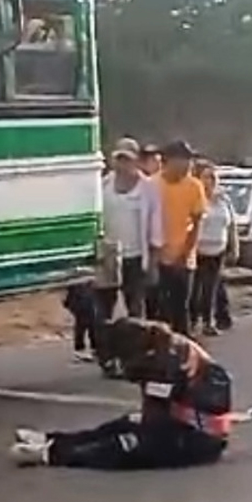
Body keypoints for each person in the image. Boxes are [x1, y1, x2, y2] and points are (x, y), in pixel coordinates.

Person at [10, 317, 232, 470]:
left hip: (198, 439)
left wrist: (137, 431)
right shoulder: (163, 344)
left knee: (123, 445)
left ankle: (49, 454)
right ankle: (51, 439)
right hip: (182, 420)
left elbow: (155, 417)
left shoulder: (165, 362)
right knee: (122, 424)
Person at [95, 138, 163, 348]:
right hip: (108, 255)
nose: (123, 164)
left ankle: (137, 350)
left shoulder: (148, 189)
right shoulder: (105, 183)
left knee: (135, 307)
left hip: (134, 256)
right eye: (119, 159)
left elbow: (155, 226)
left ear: (136, 162)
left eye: (128, 160)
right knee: (103, 307)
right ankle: (105, 351)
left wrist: (153, 263)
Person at [152, 140, 206, 335]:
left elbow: (197, 223)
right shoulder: (153, 185)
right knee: (158, 309)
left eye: (190, 161)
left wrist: (185, 253)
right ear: (170, 161)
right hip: (157, 256)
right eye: (184, 160)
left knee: (180, 309)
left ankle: (183, 352)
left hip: (183, 258)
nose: (188, 165)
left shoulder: (194, 186)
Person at [191, 158, 237, 337]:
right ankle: (193, 320)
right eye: (206, 177)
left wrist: (234, 246)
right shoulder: (196, 198)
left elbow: (231, 224)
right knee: (195, 289)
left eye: (212, 177)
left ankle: (209, 322)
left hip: (218, 250)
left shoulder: (223, 199)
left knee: (211, 288)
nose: (210, 181)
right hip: (198, 249)